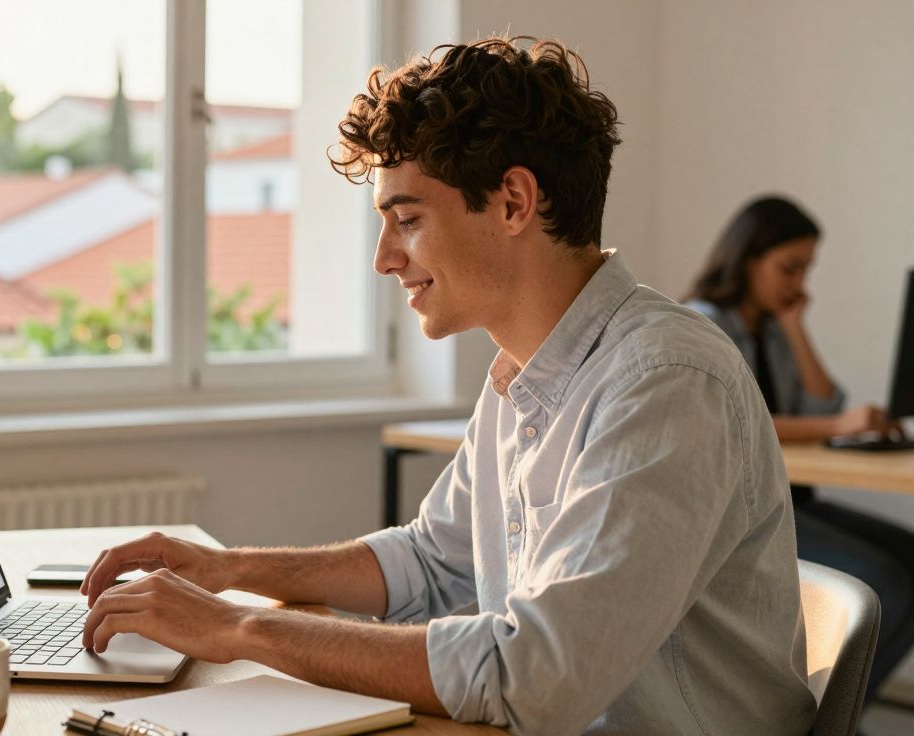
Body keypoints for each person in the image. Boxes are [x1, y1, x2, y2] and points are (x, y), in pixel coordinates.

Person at [78, 37, 816, 735]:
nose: (384, 259)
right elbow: (432, 559)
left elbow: (535, 676)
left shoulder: (665, 384)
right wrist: (231, 569)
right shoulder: (521, 374)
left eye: (408, 219)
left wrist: (236, 627)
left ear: (514, 203)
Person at [686, 195, 914, 705]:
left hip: (795, 499)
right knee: (882, 589)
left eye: (806, 270)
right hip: (749, 513)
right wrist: (839, 423)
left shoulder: (771, 327)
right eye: (789, 269)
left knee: (910, 557)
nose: (798, 284)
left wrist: (795, 325)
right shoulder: (702, 323)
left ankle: (844, 713)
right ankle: (827, 717)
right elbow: (739, 417)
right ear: (748, 259)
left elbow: (822, 400)